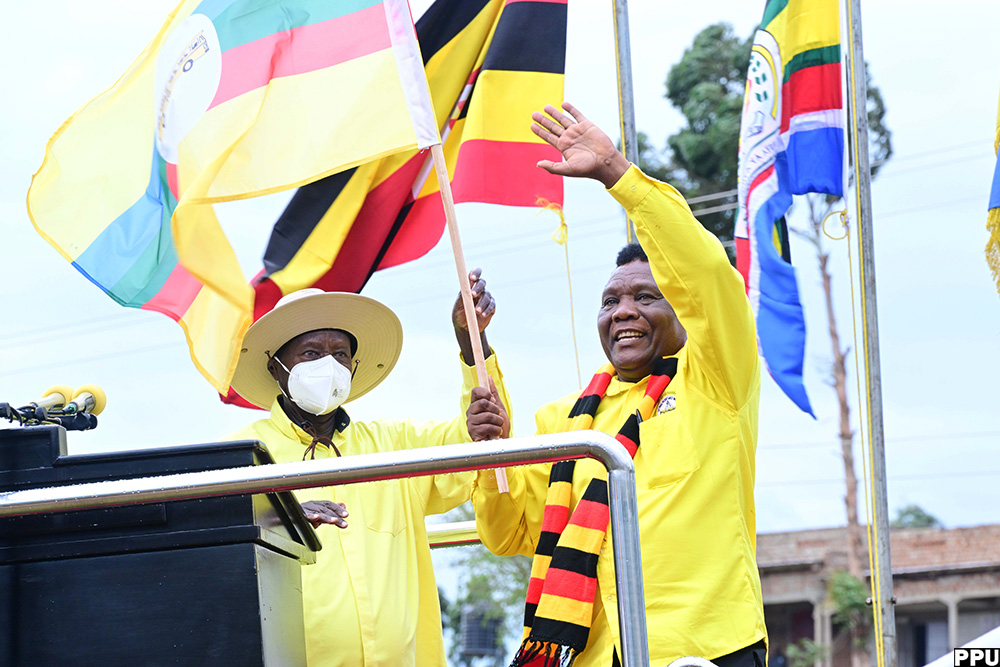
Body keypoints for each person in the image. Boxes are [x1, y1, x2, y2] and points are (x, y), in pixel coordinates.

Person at [467, 103, 767, 667]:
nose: (624, 311)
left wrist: (614, 172)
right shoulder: (562, 421)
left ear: (683, 314)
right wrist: (489, 442)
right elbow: (506, 535)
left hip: (702, 651)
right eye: (611, 301)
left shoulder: (718, 379)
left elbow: (705, 274)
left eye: (645, 297)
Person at [229, 271, 510, 667]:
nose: (328, 365)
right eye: (310, 353)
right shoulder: (245, 456)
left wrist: (472, 343)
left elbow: (482, 440)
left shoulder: (393, 448)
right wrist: (278, 517)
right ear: (276, 369)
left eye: (340, 354)